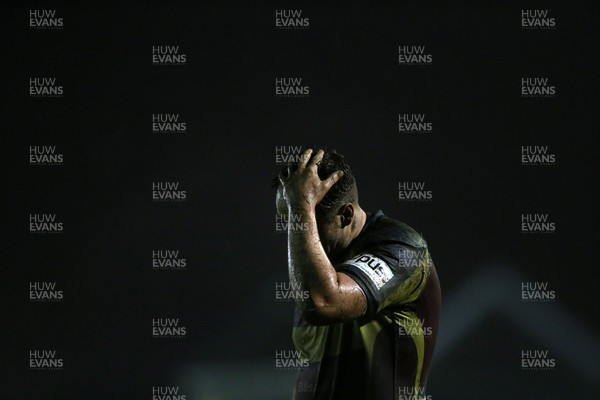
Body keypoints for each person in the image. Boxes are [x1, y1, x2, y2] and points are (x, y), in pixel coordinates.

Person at [273, 147, 441, 400]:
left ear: (346, 215)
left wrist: (301, 205)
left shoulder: (401, 249)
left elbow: (324, 302)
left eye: (304, 221)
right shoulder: (314, 272)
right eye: (289, 224)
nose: (297, 235)